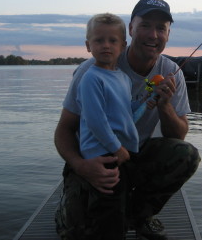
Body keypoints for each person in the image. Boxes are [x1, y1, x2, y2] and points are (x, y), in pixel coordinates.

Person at [55, 0, 201, 240]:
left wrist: (164, 105)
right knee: (74, 233)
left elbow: (178, 135)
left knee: (186, 154)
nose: (153, 34)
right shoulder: (93, 71)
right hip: (95, 158)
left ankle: (139, 215)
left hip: (134, 154)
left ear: (168, 34)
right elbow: (64, 130)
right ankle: (69, 209)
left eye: (161, 28)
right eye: (145, 25)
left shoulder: (171, 73)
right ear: (131, 29)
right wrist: (82, 166)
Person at [75, 13, 139, 239]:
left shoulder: (123, 78)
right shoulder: (91, 78)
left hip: (118, 151)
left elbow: (126, 112)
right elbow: (95, 120)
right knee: (107, 211)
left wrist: (147, 103)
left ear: (123, 45)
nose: (105, 46)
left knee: (119, 203)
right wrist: (116, 148)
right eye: (98, 40)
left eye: (112, 41)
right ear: (87, 45)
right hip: (104, 154)